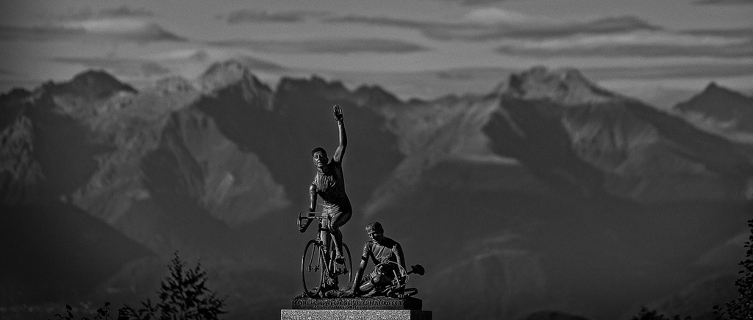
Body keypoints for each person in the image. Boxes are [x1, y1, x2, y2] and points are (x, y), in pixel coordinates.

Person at [302, 105, 352, 265]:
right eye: (316, 157)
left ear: (326, 157)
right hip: (325, 212)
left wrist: (340, 123)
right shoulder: (314, 186)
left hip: (342, 209)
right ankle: (328, 278)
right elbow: (312, 208)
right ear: (313, 161)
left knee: (332, 226)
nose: (319, 158)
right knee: (324, 247)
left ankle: (339, 254)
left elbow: (342, 145)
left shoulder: (335, 165)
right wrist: (306, 224)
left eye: (322, 156)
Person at [348, 222, 407, 297]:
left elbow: (402, 270)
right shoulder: (368, 245)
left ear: (381, 231)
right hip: (373, 275)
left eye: (374, 233)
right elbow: (361, 268)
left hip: (388, 278)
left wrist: (401, 292)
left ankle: (360, 293)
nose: (372, 237)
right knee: (345, 289)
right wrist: (353, 288)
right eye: (369, 235)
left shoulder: (394, 246)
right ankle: (355, 291)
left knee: (378, 278)